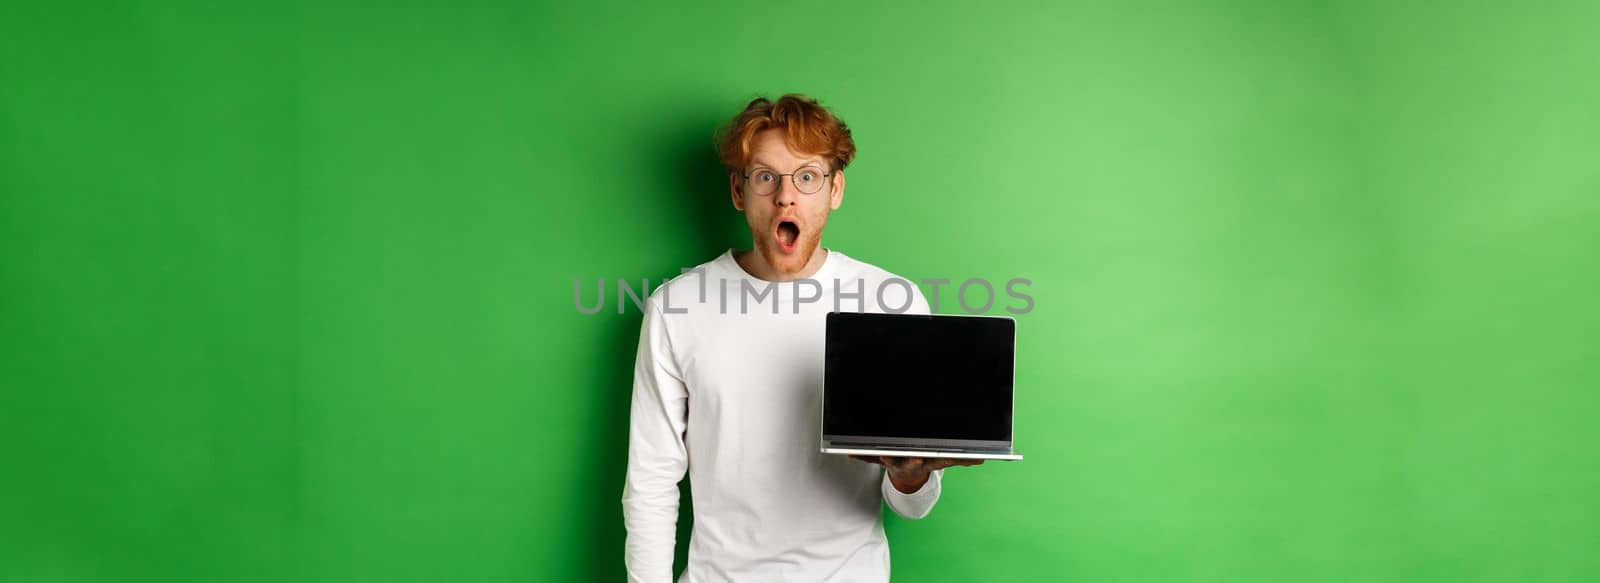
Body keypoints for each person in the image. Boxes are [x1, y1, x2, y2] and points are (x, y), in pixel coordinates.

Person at [621, 94, 984, 582]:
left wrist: (911, 473)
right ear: (738, 190)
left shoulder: (890, 300)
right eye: (765, 177)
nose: (786, 197)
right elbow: (651, 481)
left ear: (835, 190)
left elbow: (912, 506)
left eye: (808, 177)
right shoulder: (676, 307)